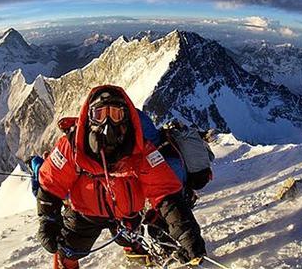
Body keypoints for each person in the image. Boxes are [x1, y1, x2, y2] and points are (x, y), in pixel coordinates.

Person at [35, 85, 206, 269]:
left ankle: (135, 251)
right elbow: (51, 183)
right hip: (85, 214)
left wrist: (188, 234)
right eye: (100, 114)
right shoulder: (73, 146)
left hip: (127, 215)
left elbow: (165, 193)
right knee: (68, 250)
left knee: (130, 237)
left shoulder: (142, 150)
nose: (108, 123)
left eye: (116, 114)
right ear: (89, 118)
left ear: (127, 119)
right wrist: (48, 220)